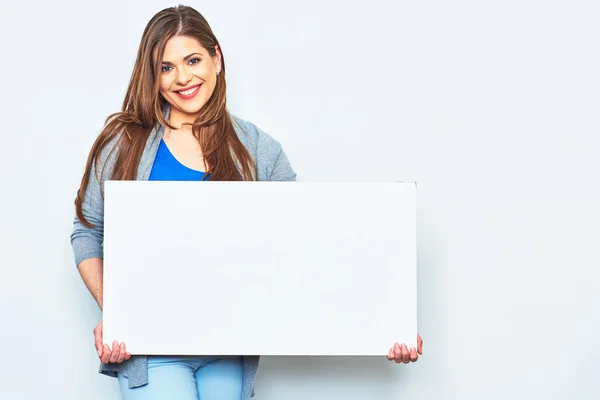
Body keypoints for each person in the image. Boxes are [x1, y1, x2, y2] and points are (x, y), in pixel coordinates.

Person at [70, 5, 423, 400]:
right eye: (166, 67)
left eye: (192, 60)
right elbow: (87, 232)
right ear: (152, 76)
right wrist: (117, 312)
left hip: (228, 350)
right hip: (152, 349)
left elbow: (311, 246)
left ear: (216, 58)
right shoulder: (124, 142)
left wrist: (387, 320)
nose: (183, 78)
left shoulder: (260, 150)